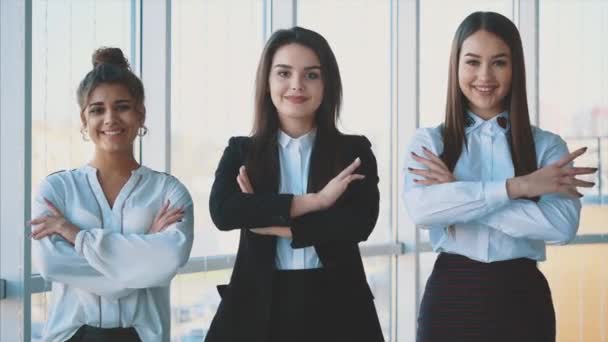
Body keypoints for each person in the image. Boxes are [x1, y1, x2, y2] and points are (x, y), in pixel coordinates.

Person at [403, 11, 598, 342]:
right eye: (473, 62)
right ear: (456, 67)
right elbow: (422, 211)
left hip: (522, 297)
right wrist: (518, 187)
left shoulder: (546, 146)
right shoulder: (430, 142)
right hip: (451, 295)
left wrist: (457, 193)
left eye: (498, 63)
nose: (484, 75)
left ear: (515, 68)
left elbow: (561, 227)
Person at [205, 27, 384, 342]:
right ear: (268, 82)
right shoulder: (241, 152)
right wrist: (316, 201)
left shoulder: (354, 152)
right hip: (257, 308)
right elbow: (224, 212)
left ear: (327, 84)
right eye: (284, 73)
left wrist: (270, 222)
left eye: (311, 75)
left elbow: (357, 224)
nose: (296, 85)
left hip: (339, 307)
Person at [30, 47, 194, 342]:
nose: (110, 119)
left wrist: (75, 234)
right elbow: (52, 264)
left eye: (122, 106)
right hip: (70, 336)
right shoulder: (56, 190)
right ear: (84, 119)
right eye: (97, 110)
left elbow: (167, 261)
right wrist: (144, 252)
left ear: (140, 114)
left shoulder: (169, 191)